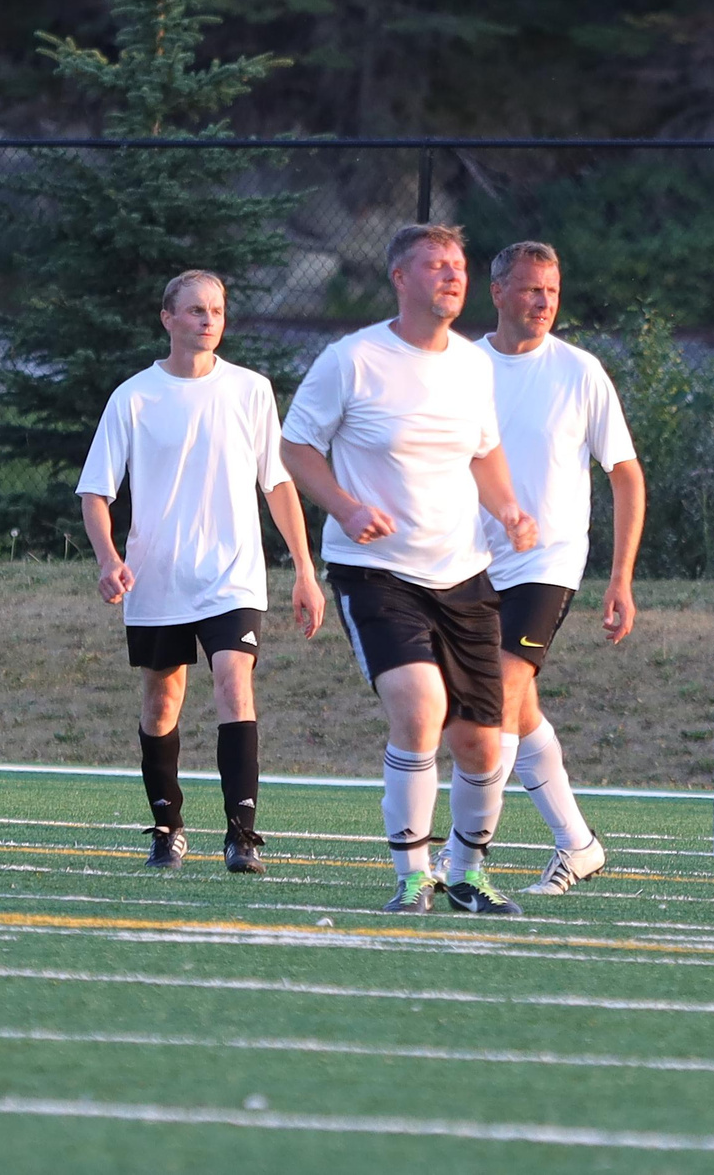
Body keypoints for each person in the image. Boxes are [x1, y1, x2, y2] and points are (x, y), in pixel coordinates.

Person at [281, 223, 539, 915]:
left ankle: (467, 874)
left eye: (457, 265)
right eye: (434, 265)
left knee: (484, 741)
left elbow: (483, 451)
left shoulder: (471, 364)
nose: (451, 276)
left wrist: (510, 507)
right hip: (375, 570)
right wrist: (343, 503)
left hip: (464, 572)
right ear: (401, 277)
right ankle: (411, 876)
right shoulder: (353, 358)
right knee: (421, 708)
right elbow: (296, 446)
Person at [79, 270, 323, 873]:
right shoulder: (133, 396)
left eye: (216, 310)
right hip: (158, 578)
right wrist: (110, 560)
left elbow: (279, 482)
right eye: (194, 310)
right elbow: (95, 493)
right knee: (163, 700)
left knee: (234, 682)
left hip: (232, 576)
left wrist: (303, 569)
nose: (208, 320)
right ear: (168, 319)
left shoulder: (251, 390)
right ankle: (167, 825)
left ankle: (242, 834)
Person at [478, 242, 645, 895]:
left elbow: (626, 476)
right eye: (529, 290)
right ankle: (579, 843)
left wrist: (622, 577)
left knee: (496, 695)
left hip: (548, 562)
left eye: (551, 289)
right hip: (468, 562)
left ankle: (464, 855)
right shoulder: (460, 368)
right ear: (497, 292)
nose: (543, 302)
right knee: (519, 710)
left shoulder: (579, 371)